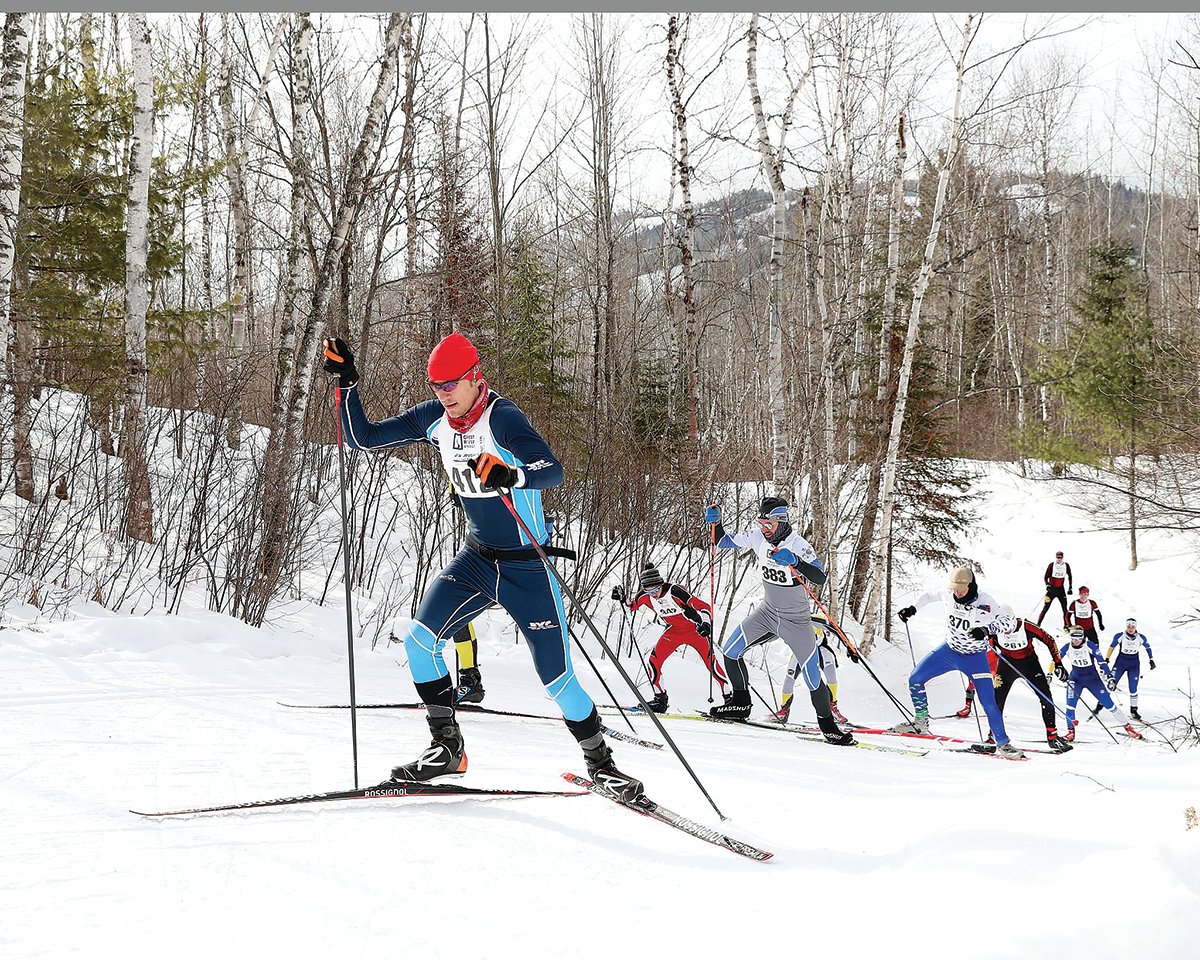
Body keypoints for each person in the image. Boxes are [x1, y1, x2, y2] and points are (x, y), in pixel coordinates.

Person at [321, 331, 644, 800]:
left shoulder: (503, 417)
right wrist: (348, 384)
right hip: (477, 560)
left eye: (451, 384)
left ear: (475, 378)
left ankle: (603, 765)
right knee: (419, 642)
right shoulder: (435, 417)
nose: (444, 393)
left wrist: (512, 474)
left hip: (527, 567)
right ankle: (447, 748)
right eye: (436, 386)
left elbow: (552, 469)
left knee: (557, 680)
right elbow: (362, 438)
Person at [702, 497, 853, 745]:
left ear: (781, 521)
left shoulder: (798, 544)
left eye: (768, 523)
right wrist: (716, 524)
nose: (764, 528)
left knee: (812, 675)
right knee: (730, 651)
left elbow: (819, 576)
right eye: (761, 522)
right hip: (768, 613)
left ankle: (829, 726)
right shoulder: (757, 537)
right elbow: (721, 541)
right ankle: (740, 703)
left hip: (796, 620)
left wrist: (796, 561)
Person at [892, 567, 1025, 759]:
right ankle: (920, 722)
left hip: (975, 658)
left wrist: (987, 630)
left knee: (988, 702)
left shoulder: (985, 601)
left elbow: (1009, 622)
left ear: (970, 585)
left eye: (961, 588)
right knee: (915, 679)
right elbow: (928, 596)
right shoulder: (948, 594)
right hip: (948, 651)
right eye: (954, 588)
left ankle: (1003, 743)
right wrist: (913, 608)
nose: (957, 592)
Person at [612, 562, 727, 713]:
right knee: (654, 661)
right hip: (674, 632)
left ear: (661, 584)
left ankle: (729, 698)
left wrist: (705, 623)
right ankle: (660, 700)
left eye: (655, 589)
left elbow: (704, 606)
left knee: (710, 663)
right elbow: (630, 606)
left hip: (694, 630)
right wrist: (621, 597)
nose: (653, 593)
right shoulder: (645, 596)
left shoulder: (674, 591)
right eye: (648, 590)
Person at [989, 611, 1072, 752]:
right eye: (1003, 628)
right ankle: (993, 737)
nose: (1006, 631)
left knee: (1046, 697)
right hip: (1006, 666)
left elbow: (1050, 640)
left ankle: (1052, 737)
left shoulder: (1026, 626)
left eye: (1008, 627)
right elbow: (988, 648)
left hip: (1030, 665)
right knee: (997, 701)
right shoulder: (994, 630)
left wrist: (1058, 664)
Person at [1059, 626, 1143, 741]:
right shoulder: (1067, 647)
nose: (1076, 641)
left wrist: (1109, 676)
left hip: (1093, 680)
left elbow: (1102, 662)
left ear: (1083, 637)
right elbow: (1055, 660)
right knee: (1070, 706)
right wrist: (1051, 672)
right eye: (1073, 638)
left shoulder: (1090, 646)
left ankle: (1129, 729)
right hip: (1075, 680)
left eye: (1078, 638)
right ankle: (1070, 732)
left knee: (1109, 705)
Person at [768, 615, 855, 725]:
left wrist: (849, 647)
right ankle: (783, 711)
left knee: (831, 677)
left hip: (820, 650)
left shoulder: (813, 618)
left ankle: (832, 708)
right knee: (789, 679)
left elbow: (834, 628)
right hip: (801, 652)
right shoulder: (789, 618)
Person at [1106, 618, 1156, 721]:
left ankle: (1134, 710)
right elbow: (1111, 647)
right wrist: (1107, 659)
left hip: (1134, 664)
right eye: (1129, 627)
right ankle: (1100, 706)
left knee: (1133, 688)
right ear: (1126, 627)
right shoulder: (1120, 636)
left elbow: (1148, 648)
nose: (1130, 629)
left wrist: (1151, 659)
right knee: (1111, 684)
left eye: (1132, 627)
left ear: (1136, 627)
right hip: (1120, 663)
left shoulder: (1141, 638)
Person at [1037, 549, 1073, 629]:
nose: (1059, 559)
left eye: (1060, 557)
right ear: (1056, 557)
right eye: (1058, 557)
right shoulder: (1051, 565)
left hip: (1061, 590)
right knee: (1046, 607)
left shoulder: (1066, 565)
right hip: (1051, 590)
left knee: (1064, 609)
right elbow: (1046, 576)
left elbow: (1070, 576)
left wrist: (1070, 587)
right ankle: (1038, 624)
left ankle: (1066, 626)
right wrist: (1047, 585)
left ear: (1063, 558)